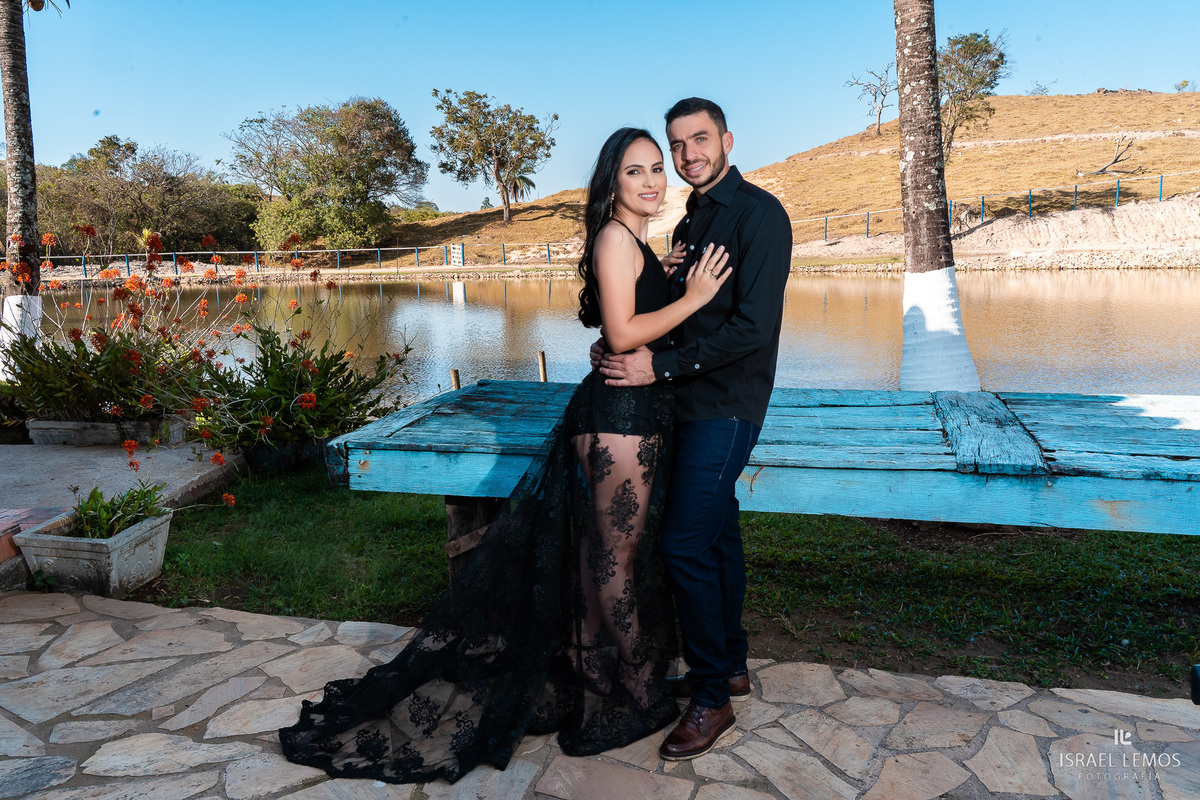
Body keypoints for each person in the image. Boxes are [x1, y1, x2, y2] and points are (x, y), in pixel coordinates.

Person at [279, 127, 731, 784]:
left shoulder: (633, 242)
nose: (653, 181)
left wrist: (667, 275)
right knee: (616, 557)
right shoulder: (613, 238)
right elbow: (621, 333)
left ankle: (599, 667)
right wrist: (693, 297)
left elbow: (631, 317)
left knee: (604, 553)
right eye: (636, 171)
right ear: (612, 181)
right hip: (619, 421)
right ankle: (634, 680)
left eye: (657, 169)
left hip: (629, 416)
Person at [595, 97, 793, 761]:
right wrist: (622, 348)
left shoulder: (760, 216)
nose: (688, 155)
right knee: (717, 533)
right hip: (683, 402)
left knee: (682, 544)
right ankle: (729, 665)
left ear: (727, 140)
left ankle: (711, 698)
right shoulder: (691, 218)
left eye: (699, 139)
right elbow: (677, 315)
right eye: (677, 145)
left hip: (727, 405)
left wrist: (658, 366)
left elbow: (752, 328)